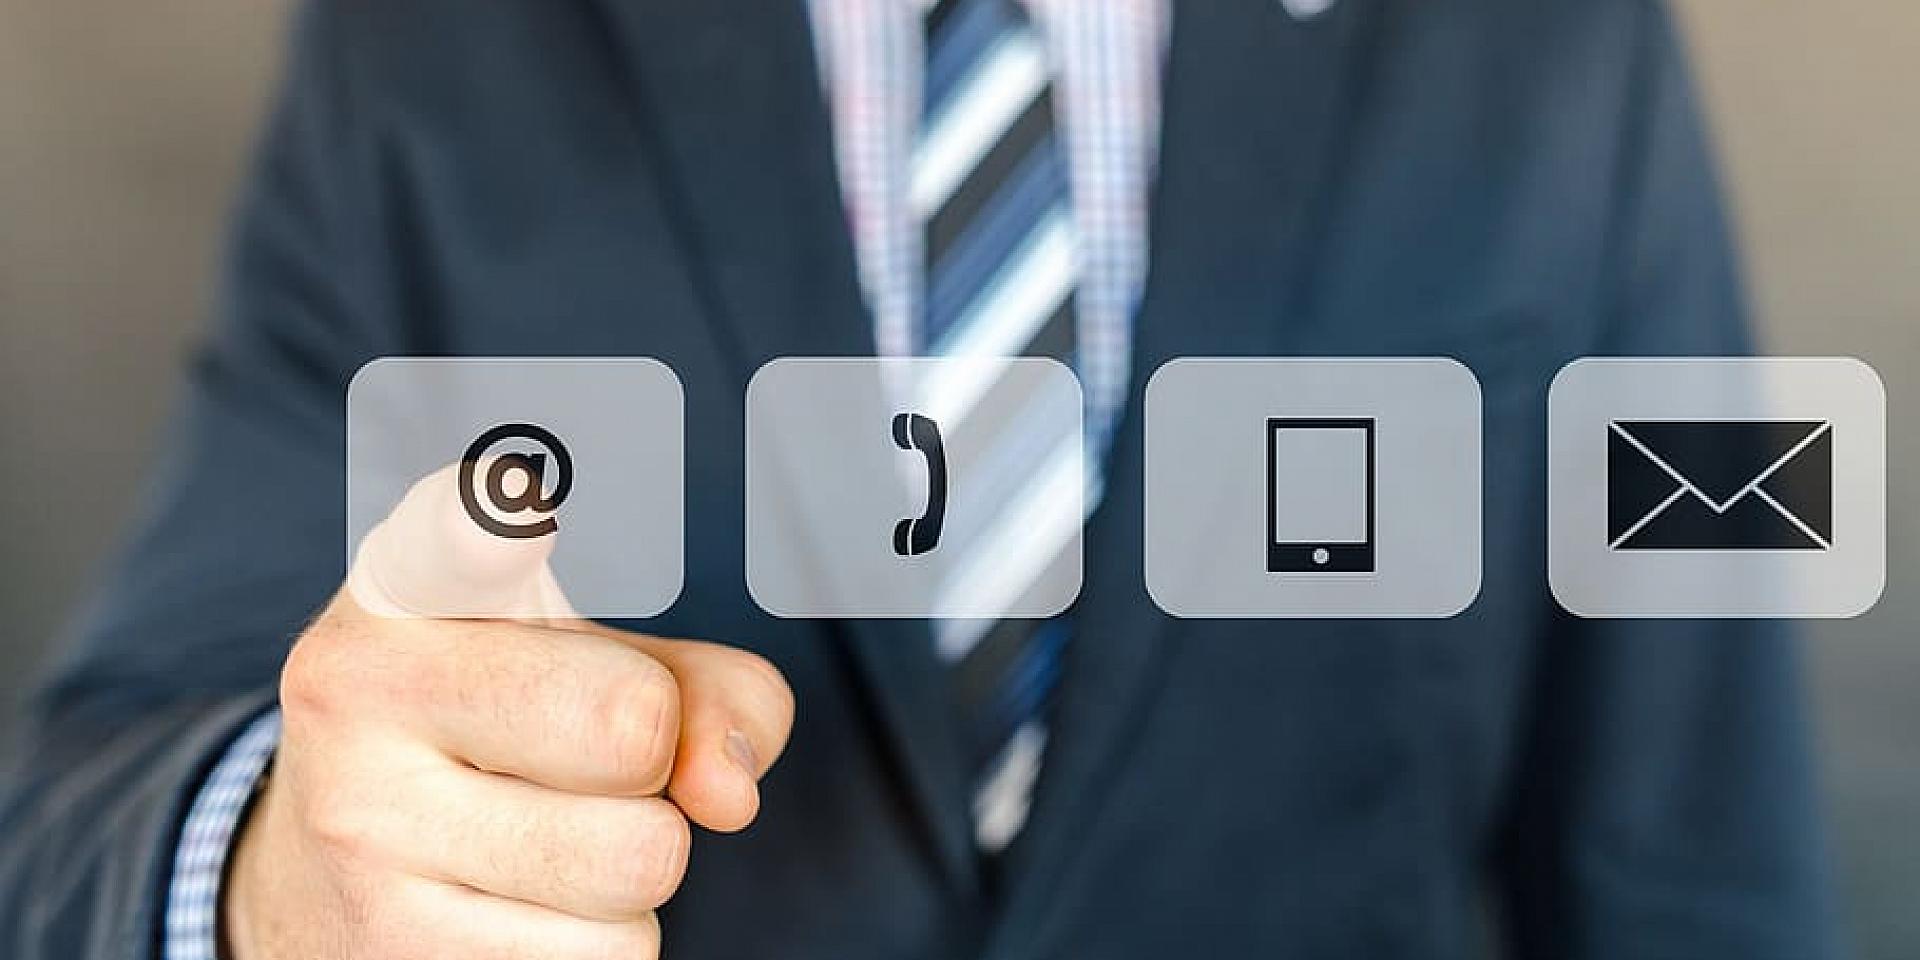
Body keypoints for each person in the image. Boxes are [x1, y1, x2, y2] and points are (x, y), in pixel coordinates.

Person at [0, 0, 1840, 957]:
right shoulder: (437, 43)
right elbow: (92, 807)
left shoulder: (1551, 41)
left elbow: (1697, 855)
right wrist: (285, 884)